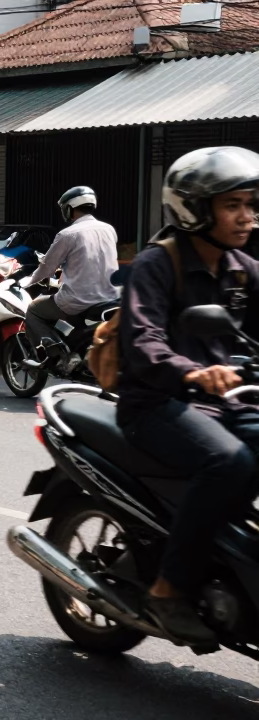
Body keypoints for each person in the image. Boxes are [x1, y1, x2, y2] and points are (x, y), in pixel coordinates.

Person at [118, 146, 259, 645]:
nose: (247, 216)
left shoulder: (242, 267)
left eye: (251, 204)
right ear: (196, 209)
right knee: (232, 462)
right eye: (233, 205)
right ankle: (168, 588)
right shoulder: (158, 263)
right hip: (156, 404)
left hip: (232, 401)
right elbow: (142, 344)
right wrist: (196, 373)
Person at [23, 186, 119, 353]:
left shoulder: (67, 234)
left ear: (70, 208)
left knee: (33, 310)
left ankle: (56, 355)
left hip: (78, 300)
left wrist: (28, 281)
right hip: (109, 297)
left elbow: (47, 267)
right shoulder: (108, 229)